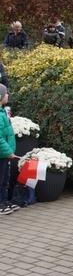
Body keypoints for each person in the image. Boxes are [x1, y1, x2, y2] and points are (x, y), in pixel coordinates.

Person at [0, 84, 18, 216]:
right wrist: (8, 151)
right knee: (1, 179)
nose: (7, 95)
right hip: (2, 154)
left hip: (5, 154)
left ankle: (4, 200)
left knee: (5, 179)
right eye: (5, 93)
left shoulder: (2, 111)